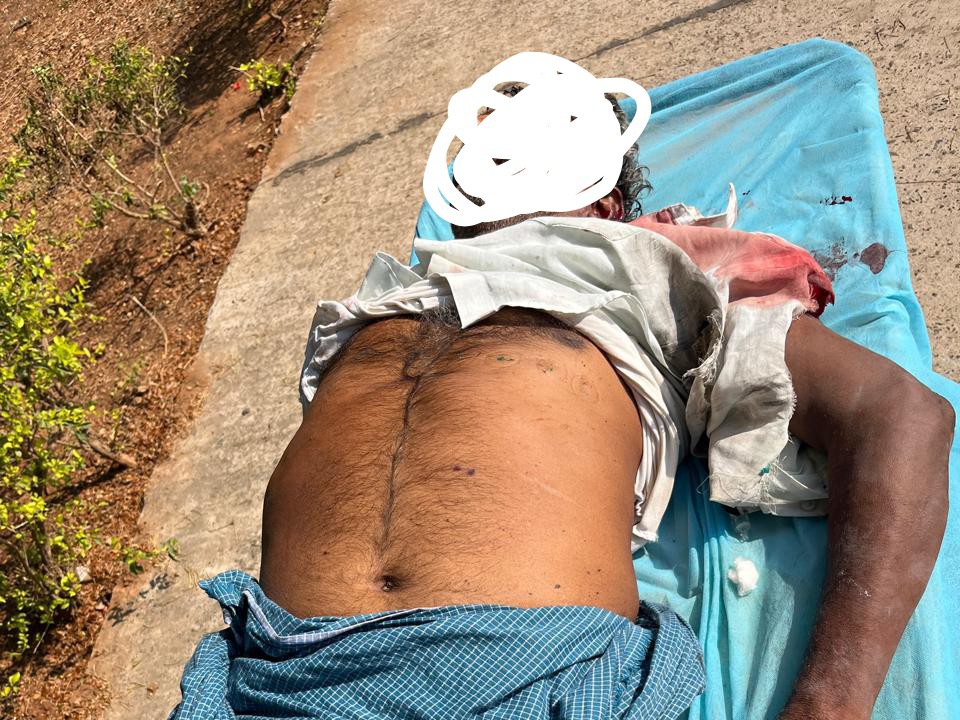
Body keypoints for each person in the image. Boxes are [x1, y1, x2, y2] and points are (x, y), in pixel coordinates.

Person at [170, 97, 954, 720]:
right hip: (269, 683)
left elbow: (900, 415)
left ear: (608, 205)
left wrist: (825, 707)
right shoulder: (385, 300)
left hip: (519, 678)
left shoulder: (645, 276)